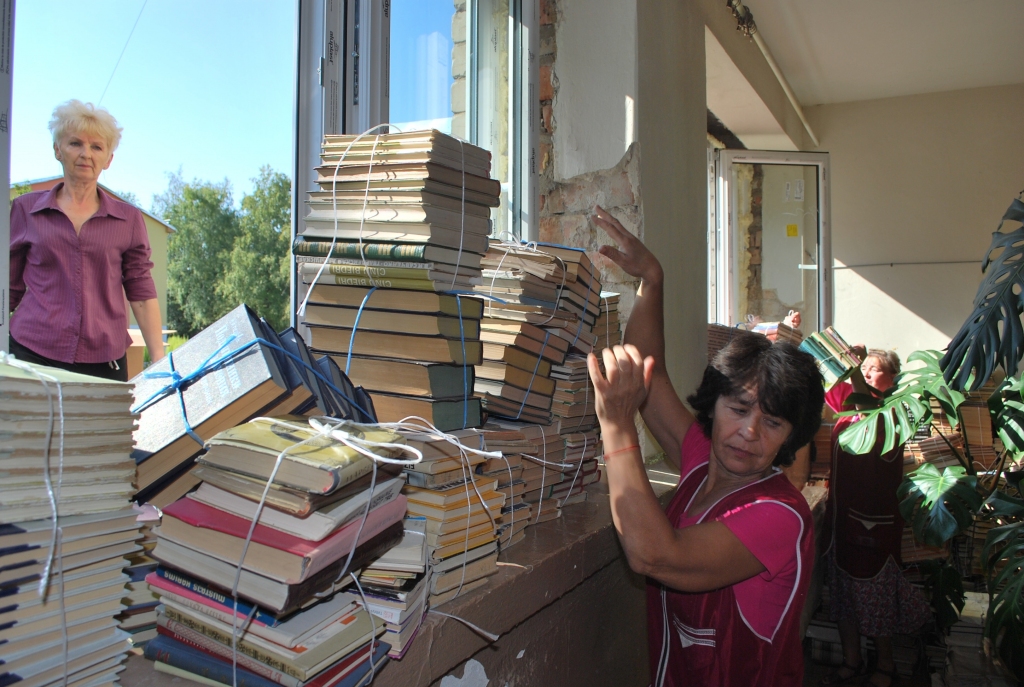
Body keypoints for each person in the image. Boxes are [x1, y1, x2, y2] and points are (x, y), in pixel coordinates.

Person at [588, 206, 825, 686]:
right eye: (738, 410)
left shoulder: (780, 516)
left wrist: (616, 423)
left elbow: (654, 555)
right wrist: (652, 280)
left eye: (773, 423)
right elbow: (651, 374)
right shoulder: (703, 462)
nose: (749, 433)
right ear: (713, 406)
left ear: (790, 437)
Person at [9, 100, 164, 381]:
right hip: (30, 354)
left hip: (104, 361)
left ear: (108, 159)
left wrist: (159, 358)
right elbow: (7, 286)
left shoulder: (128, 219)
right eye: (75, 144)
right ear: (58, 150)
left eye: (96, 147)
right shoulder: (24, 209)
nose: (85, 154)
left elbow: (140, 291)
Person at [821, 349, 931, 687]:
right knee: (844, 598)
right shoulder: (846, 415)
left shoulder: (893, 413)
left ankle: (885, 665)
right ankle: (852, 659)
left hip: (874, 525)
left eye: (873, 370)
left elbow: (873, 422)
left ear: (893, 378)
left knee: (876, 599)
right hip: (842, 523)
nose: (866, 375)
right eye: (862, 370)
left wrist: (854, 372)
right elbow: (835, 391)